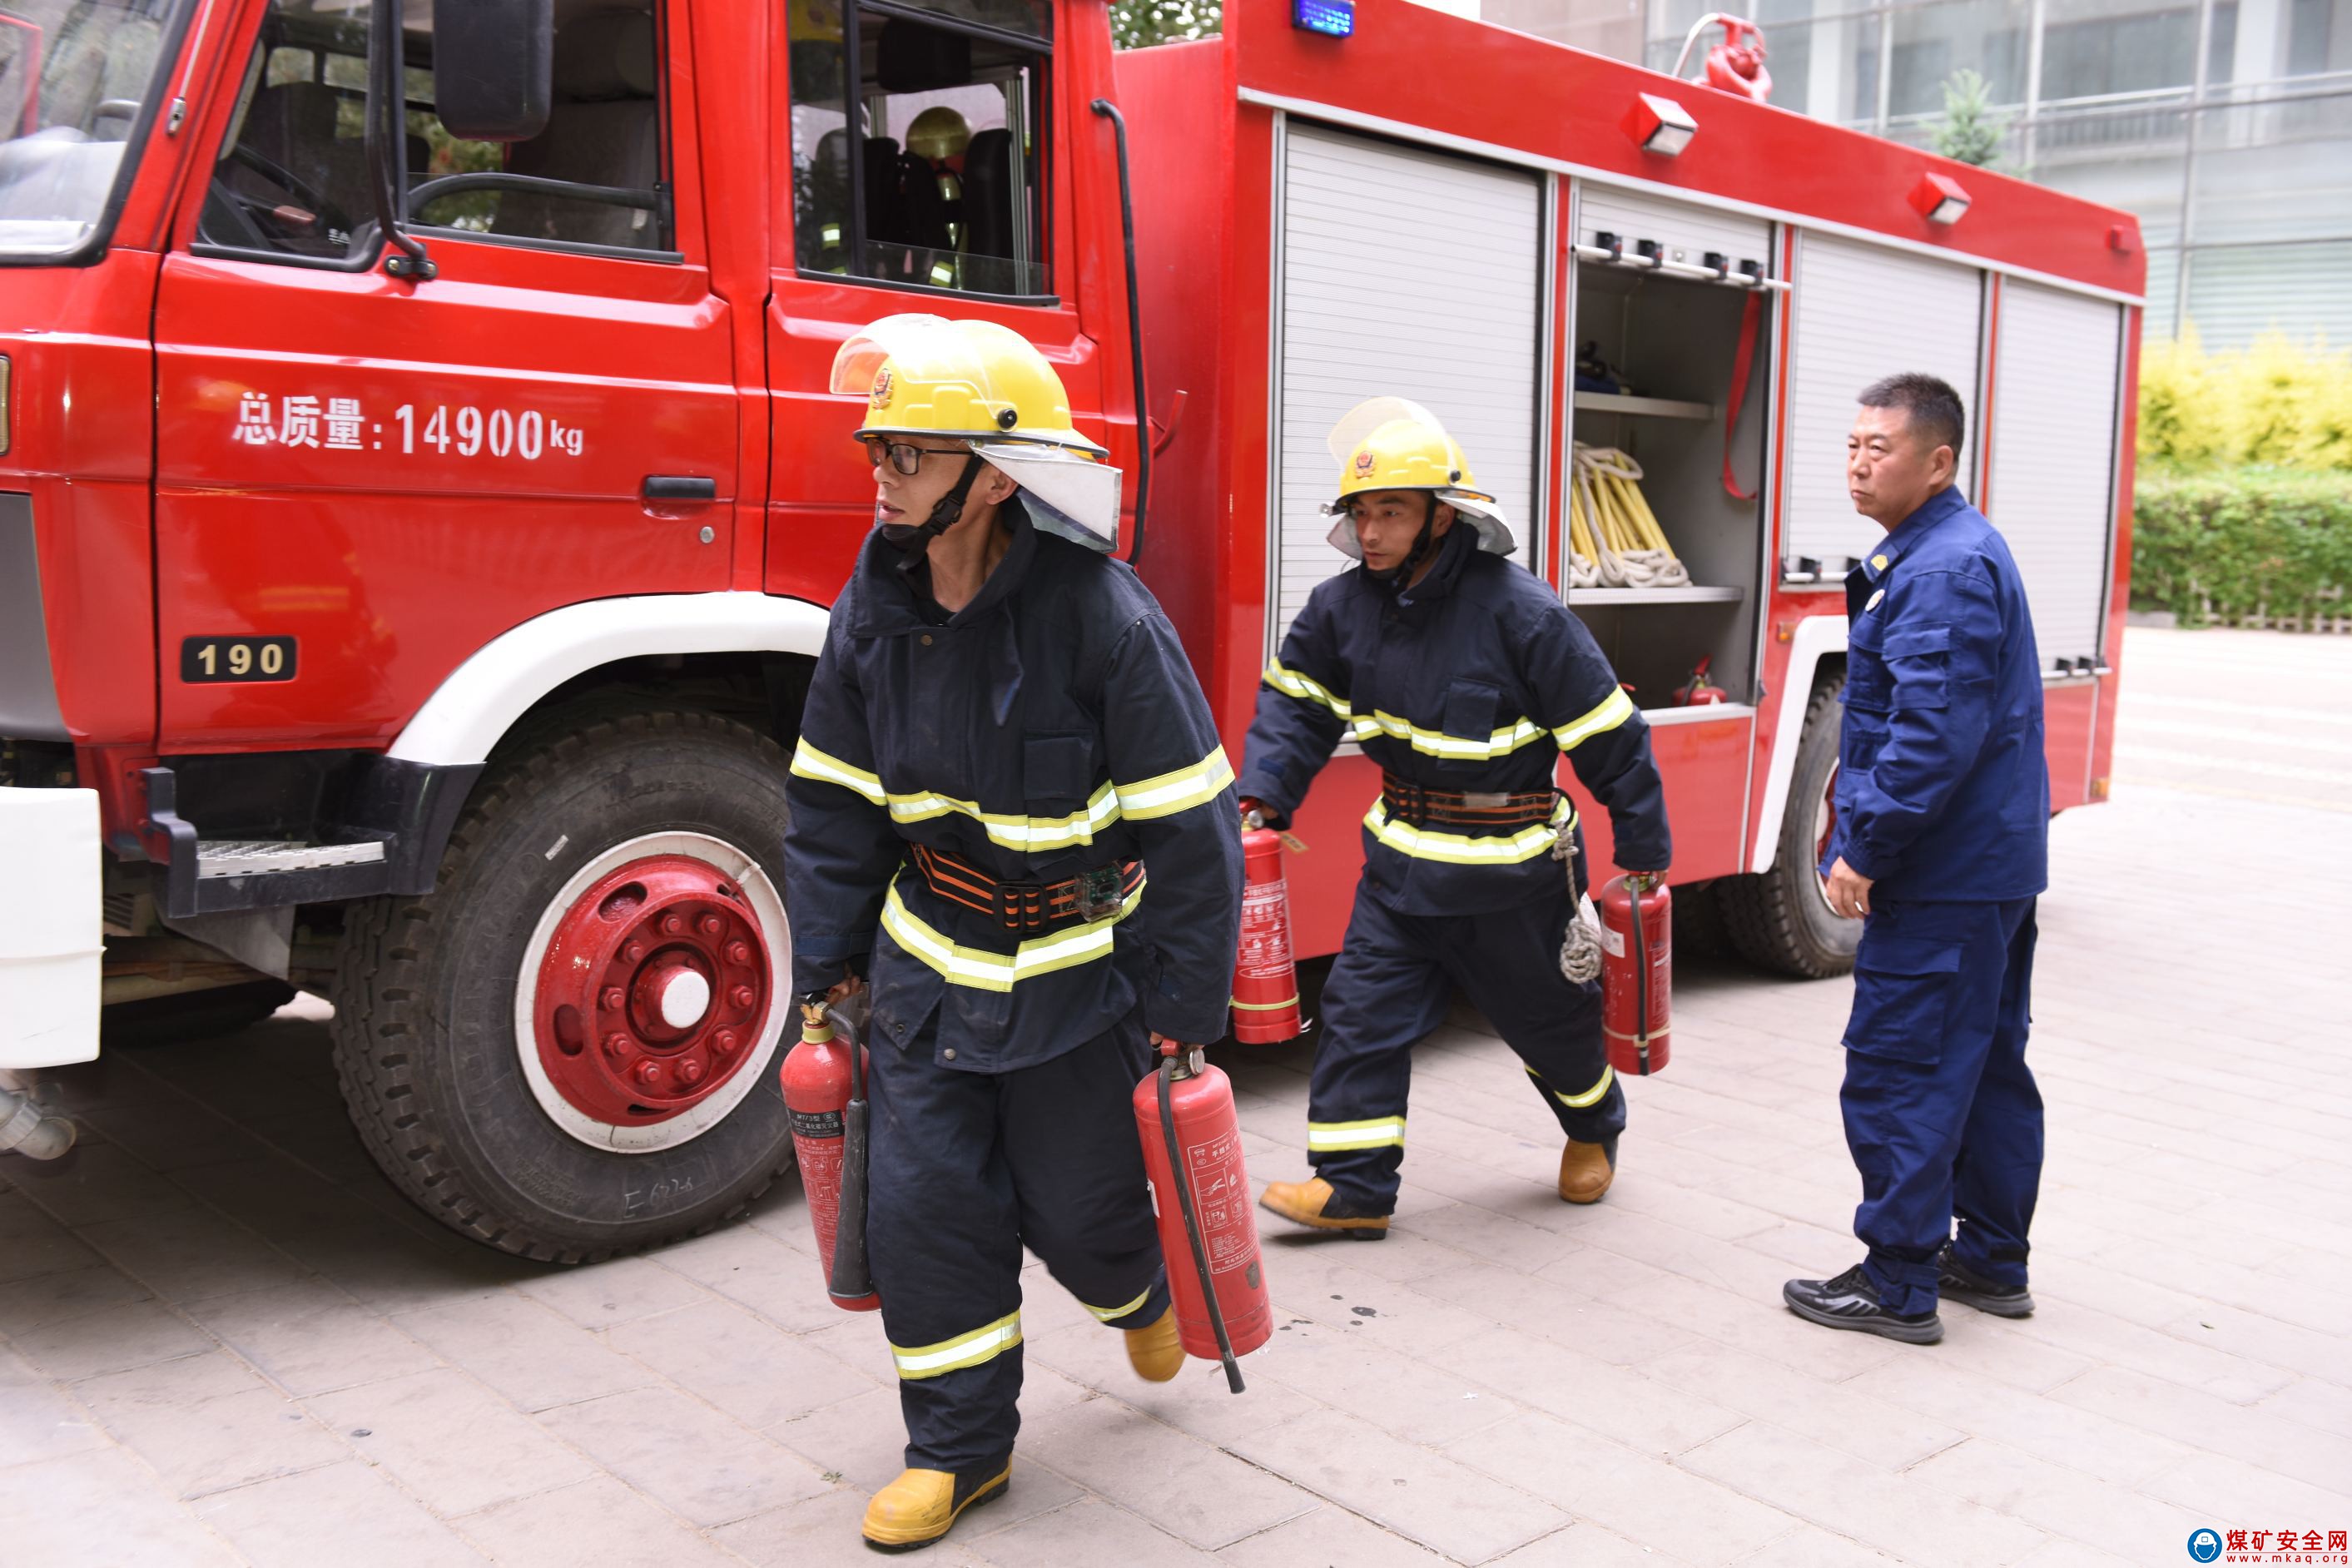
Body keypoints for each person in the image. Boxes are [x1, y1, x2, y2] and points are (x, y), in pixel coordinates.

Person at [782, 314, 1243, 1549]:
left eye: (910, 457)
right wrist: (822, 963)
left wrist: (1180, 1016)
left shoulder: (1104, 618)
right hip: (926, 975)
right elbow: (829, 802)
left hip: (1077, 987)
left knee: (1084, 1214)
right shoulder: (868, 612)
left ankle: (1133, 1289)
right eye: (877, 451)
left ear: (990, 479)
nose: (880, 475)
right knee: (929, 1217)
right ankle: (956, 1450)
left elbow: (1194, 834)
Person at [1241, 399, 1671, 1238]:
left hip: (1511, 876)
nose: (1370, 531)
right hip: (1400, 869)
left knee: (1548, 1026)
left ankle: (1594, 1126)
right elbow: (1295, 708)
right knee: (1360, 1016)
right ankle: (1353, 1189)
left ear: (1444, 515)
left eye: (1391, 511)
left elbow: (1608, 737)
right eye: (1361, 513)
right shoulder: (1339, 611)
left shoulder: (1523, 612)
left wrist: (1644, 854)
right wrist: (1264, 794)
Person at [1782, 372, 2048, 1347]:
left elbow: (1934, 735)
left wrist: (1863, 848)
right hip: (1987, 870)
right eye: (1852, 443)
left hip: (1944, 876)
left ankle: (1897, 1279)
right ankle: (1987, 1258)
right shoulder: (1942, 552)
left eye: (1879, 447)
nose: (1858, 461)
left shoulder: (1939, 569)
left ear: (1938, 461)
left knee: (1904, 1066)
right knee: (1982, 1066)